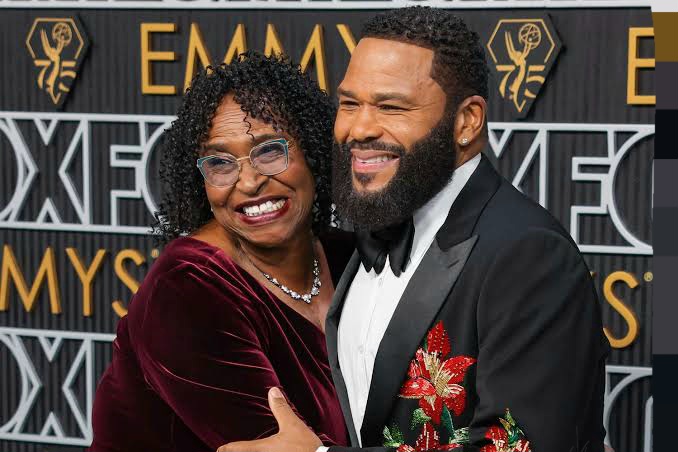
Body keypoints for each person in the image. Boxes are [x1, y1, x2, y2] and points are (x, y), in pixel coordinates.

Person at [219, 7, 609, 452]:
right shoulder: (367, 232)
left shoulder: (530, 255)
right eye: (349, 103)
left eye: (390, 106)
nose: (358, 128)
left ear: (466, 122)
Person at [88, 52, 351, 452]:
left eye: (269, 151)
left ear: (313, 150)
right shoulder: (186, 290)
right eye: (221, 162)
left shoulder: (349, 258)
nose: (248, 183)